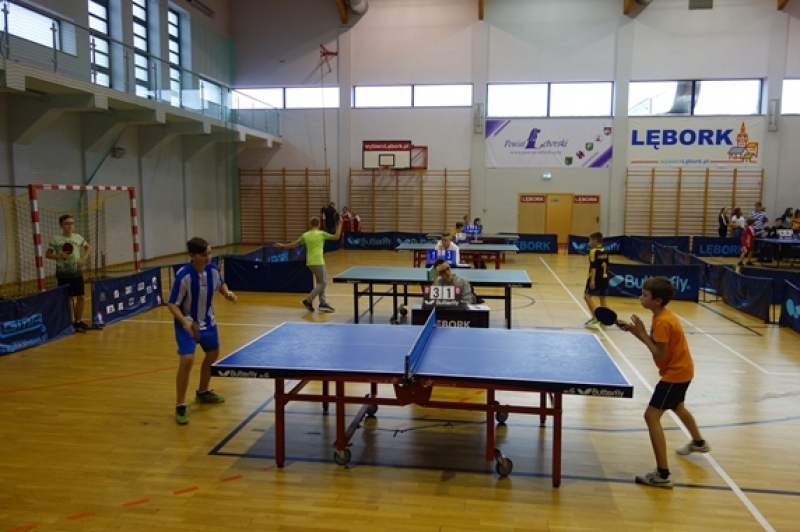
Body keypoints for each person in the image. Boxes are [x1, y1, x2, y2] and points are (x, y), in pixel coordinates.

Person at [617, 277, 709, 489]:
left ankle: (663, 474)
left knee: (651, 416)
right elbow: (657, 346)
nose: (641, 297)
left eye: (645, 295)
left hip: (674, 375)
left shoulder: (662, 322)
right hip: (683, 371)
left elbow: (660, 355)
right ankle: (699, 442)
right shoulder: (662, 316)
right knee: (678, 407)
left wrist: (641, 333)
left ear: (657, 300)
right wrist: (634, 331)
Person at [167, 237, 237, 425]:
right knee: (187, 360)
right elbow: (172, 304)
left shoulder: (213, 269)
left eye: (209, 253)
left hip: (208, 322)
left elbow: (220, 283)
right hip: (187, 324)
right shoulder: (183, 276)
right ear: (192, 255)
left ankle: (203, 392)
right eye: (204, 254)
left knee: (213, 354)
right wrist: (185, 322)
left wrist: (227, 293)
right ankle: (180, 405)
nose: (208, 257)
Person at [276, 216, 342, 313]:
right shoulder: (321, 234)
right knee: (323, 283)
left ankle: (323, 303)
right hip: (318, 261)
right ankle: (308, 300)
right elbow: (336, 237)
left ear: (310, 225)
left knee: (320, 282)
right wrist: (340, 224)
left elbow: (293, 245)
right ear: (319, 225)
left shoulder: (305, 235)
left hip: (310, 262)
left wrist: (283, 245)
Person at [46, 214, 92, 331]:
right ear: (61, 225)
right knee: (66, 299)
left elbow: (88, 247)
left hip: (76, 273)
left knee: (81, 297)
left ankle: (78, 321)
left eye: (72, 223)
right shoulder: (56, 239)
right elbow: (48, 254)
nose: (70, 226)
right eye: (66, 223)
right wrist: (59, 256)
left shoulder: (78, 237)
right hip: (63, 274)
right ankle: (69, 322)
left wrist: (83, 258)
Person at [583, 231, 609, 329]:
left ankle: (596, 317)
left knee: (587, 296)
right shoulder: (604, 250)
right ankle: (604, 318)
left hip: (596, 278)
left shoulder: (593, 251)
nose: (589, 242)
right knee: (603, 298)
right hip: (605, 277)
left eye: (590, 240)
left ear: (595, 240)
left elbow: (593, 267)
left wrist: (592, 280)